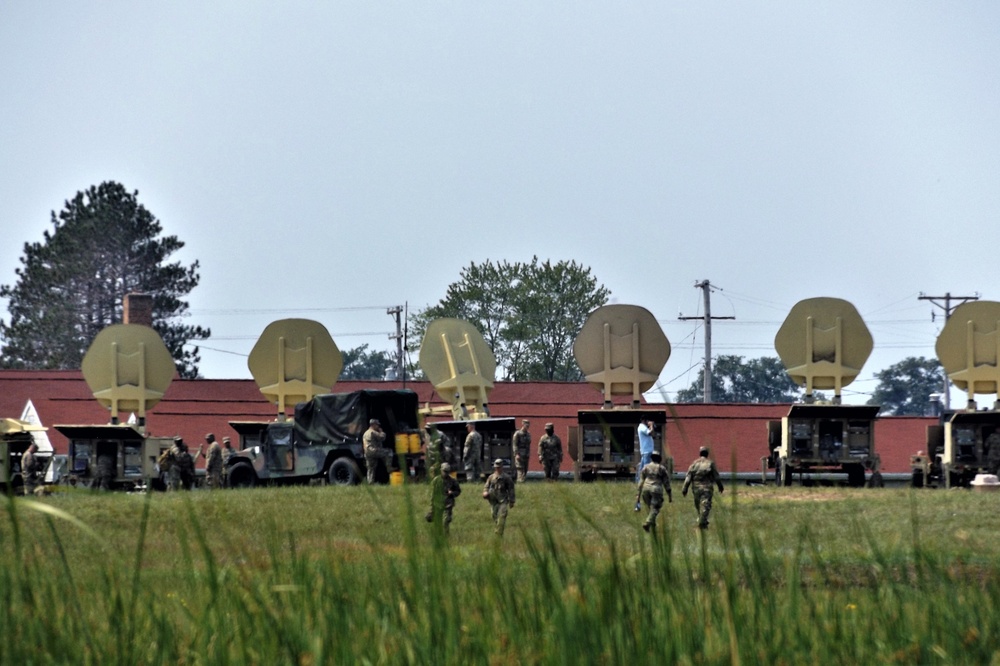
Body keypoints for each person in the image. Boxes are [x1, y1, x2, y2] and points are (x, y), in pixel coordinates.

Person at [681, 446, 724, 529]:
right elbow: (716, 477)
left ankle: (703, 523)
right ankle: (701, 523)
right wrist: (720, 486)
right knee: (705, 506)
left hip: (696, 489)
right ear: (707, 454)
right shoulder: (710, 463)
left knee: (698, 506)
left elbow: (688, 478)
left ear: (700, 453)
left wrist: (684, 489)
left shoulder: (694, 464)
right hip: (706, 488)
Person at [635, 452, 672, 532]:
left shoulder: (645, 467)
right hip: (656, 489)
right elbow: (666, 483)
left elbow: (641, 481)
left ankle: (652, 525)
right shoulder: (661, 468)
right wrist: (669, 495)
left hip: (646, 489)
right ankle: (648, 523)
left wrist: (638, 495)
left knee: (650, 508)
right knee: (655, 508)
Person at [425, 462, 462, 533]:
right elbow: (432, 494)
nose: (446, 473)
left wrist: (452, 493)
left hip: (448, 504)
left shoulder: (453, 481)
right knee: (438, 522)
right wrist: (431, 508)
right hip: (438, 504)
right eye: (444, 471)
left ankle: (446, 535)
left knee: (446, 520)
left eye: (447, 472)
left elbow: (458, 491)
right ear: (441, 470)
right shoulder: (436, 480)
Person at [482, 459, 516, 536]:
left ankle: (498, 533)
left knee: (502, 515)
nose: (498, 468)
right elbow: (486, 486)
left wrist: (512, 501)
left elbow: (511, 489)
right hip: (493, 500)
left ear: (502, 467)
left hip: (503, 500)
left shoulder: (506, 478)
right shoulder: (491, 477)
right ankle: (499, 528)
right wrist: (485, 492)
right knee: (494, 515)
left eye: (499, 467)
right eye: (496, 467)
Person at [634, 418, 656, 510]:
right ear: (644, 420)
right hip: (646, 452)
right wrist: (651, 425)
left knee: (643, 477)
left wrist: (652, 426)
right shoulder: (642, 427)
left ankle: (638, 504)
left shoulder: (643, 427)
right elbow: (650, 433)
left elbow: (653, 433)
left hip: (647, 453)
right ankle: (640, 503)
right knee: (646, 476)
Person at [363, 418, 392, 484]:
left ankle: (370, 482)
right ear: (373, 425)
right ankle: (389, 467)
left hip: (367, 453)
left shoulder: (365, 433)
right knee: (389, 452)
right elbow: (382, 437)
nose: (378, 426)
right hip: (374, 451)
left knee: (371, 468)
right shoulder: (373, 432)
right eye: (377, 425)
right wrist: (381, 431)